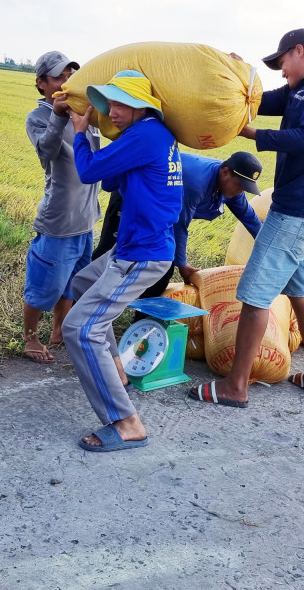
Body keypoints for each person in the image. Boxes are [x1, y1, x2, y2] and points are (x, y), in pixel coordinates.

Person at [189, 29, 304, 408]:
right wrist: (239, 76)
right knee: (300, 293)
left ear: (300, 51)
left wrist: (252, 134)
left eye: (282, 64)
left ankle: (235, 387)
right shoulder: (302, 89)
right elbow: (259, 100)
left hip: (297, 213)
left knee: (255, 296)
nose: (281, 73)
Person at [63, 70, 183, 451]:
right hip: (132, 247)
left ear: (140, 106)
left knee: (80, 329)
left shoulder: (147, 133)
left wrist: (82, 133)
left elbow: (89, 172)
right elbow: (113, 182)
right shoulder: (150, 136)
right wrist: (114, 148)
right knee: (81, 284)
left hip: (140, 255)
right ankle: (116, 369)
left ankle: (127, 422)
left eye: (118, 104)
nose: (110, 112)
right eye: (107, 104)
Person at [94, 151, 264, 301]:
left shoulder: (230, 188)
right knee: (106, 256)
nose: (241, 192)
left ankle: (143, 324)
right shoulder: (197, 182)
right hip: (131, 198)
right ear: (225, 172)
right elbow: (179, 225)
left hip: (158, 215)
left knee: (162, 268)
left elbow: (250, 218)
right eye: (241, 186)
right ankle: (76, 301)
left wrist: (270, 248)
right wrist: (182, 265)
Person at [21, 51, 101, 363]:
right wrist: (58, 115)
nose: (66, 81)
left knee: (72, 283)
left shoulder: (85, 112)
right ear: (41, 83)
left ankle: (58, 330)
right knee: (44, 286)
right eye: (58, 77)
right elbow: (47, 152)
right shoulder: (39, 117)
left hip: (86, 219)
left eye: (70, 74)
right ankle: (29, 338)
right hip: (59, 222)